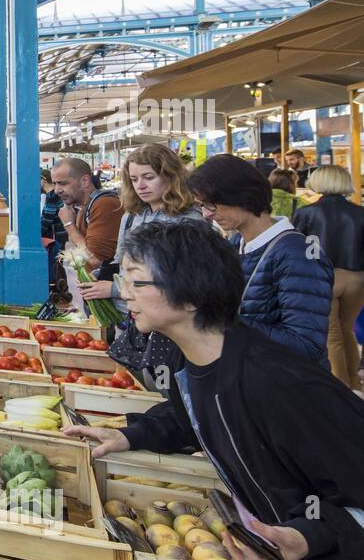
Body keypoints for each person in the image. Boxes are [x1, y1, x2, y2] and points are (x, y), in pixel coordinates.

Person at [63, 220, 364, 560]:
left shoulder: (278, 384)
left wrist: (310, 535)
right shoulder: (197, 362)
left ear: (191, 296)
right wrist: (130, 434)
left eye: (136, 282)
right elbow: (191, 416)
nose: (124, 294)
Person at [188, 153, 332, 367]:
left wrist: (222, 319)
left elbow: (306, 346)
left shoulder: (298, 255)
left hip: (288, 383)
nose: (206, 214)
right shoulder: (236, 244)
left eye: (211, 204)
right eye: (202, 205)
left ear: (241, 195)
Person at [76, 145, 203, 306]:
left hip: (164, 313)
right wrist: (97, 275)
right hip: (129, 313)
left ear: (171, 176)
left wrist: (114, 289)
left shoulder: (188, 221)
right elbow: (121, 263)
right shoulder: (131, 216)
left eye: (149, 177)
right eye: (134, 179)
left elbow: (185, 280)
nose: (140, 186)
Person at [293, 165, 364, 389]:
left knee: (331, 334)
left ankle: (341, 386)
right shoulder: (360, 213)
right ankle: (355, 382)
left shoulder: (305, 213)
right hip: (357, 278)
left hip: (323, 277)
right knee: (347, 329)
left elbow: (302, 250)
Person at [51, 157, 123, 270]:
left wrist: (69, 224)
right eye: (55, 184)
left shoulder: (105, 204)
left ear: (84, 181)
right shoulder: (82, 205)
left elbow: (94, 259)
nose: (57, 190)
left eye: (63, 183)